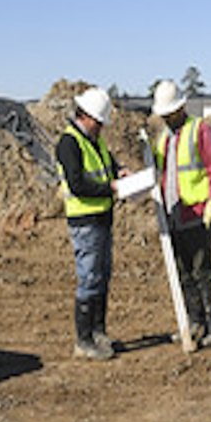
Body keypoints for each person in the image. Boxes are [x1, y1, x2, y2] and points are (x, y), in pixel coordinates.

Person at [152, 79, 211, 348]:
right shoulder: (164, 139)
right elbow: (161, 174)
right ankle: (193, 321)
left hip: (196, 213)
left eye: (168, 113)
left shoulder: (199, 130)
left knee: (202, 271)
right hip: (173, 215)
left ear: (179, 108)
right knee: (183, 273)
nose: (166, 118)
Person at [56, 86, 124, 361]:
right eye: (98, 121)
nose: (101, 127)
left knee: (102, 277)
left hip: (102, 218)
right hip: (85, 222)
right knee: (89, 280)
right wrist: (110, 187)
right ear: (84, 116)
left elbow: (109, 165)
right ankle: (84, 340)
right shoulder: (69, 143)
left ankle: (98, 332)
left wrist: (120, 172)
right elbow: (78, 184)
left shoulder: (96, 140)